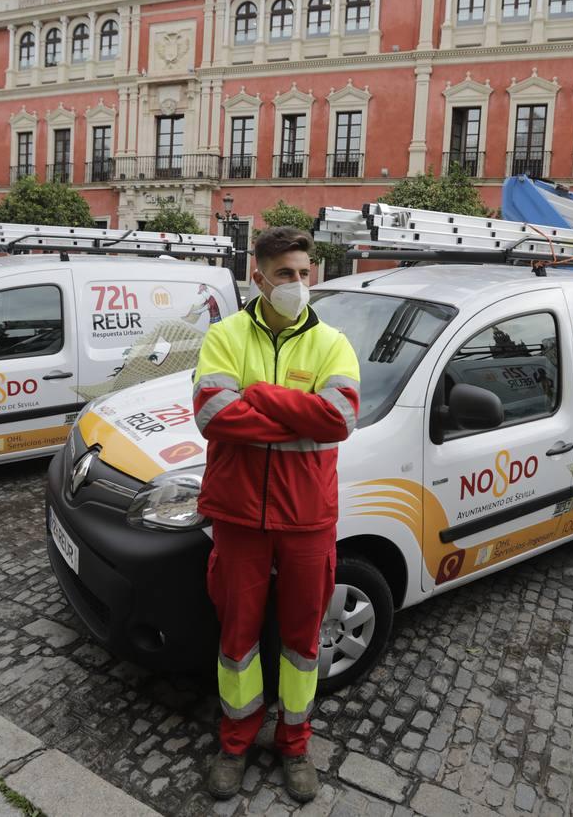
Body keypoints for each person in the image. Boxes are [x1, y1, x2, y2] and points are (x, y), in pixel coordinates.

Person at [193, 227, 360, 804]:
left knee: (302, 639)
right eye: (285, 274)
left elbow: (339, 419)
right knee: (237, 637)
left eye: (303, 273)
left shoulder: (333, 343)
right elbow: (213, 415)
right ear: (258, 276)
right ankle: (235, 740)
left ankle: (294, 741)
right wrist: (299, 413)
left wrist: (259, 395)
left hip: (307, 518)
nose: (296, 284)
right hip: (239, 515)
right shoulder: (224, 334)